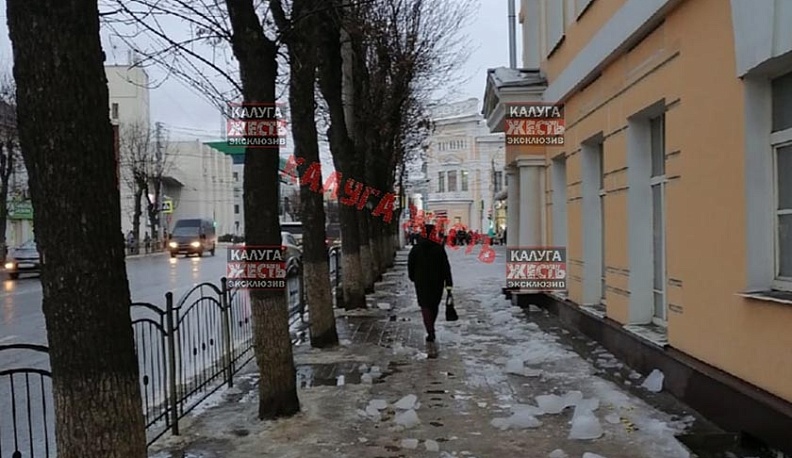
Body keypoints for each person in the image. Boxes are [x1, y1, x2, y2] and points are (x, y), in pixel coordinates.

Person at [407, 224, 453, 359]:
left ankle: (430, 330)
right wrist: (448, 283)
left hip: (421, 282)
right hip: (437, 282)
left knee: (424, 305)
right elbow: (446, 267)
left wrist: (413, 277)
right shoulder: (439, 249)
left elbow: (411, 265)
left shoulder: (416, 249)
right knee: (434, 305)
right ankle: (431, 327)